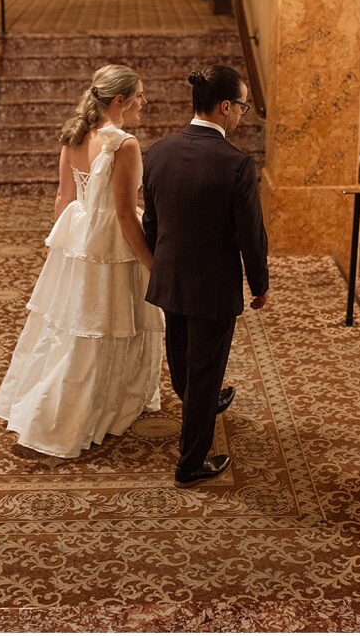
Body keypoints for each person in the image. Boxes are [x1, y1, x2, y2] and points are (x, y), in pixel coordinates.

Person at [0, 64, 163, 458]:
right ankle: (94, 407)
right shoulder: (125, 144)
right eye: (139, 95)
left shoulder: (74, 134)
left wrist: (62, 251)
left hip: (79, 237)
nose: (144, 102)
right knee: (107, 325)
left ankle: (47, 399)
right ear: (119, 101)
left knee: (74, 325)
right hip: (111, 245)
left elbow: (63, 198)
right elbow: (123, 214)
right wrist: (153, 265)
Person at [142, 64, 269, 488]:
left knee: (182, 357)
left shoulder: (158, 152)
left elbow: (153, 224)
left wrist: (159, 266)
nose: (242, 116)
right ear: (225, 107)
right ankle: (191, 462)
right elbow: (250, 234)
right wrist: (260, 284)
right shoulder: (236, 164)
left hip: (171, 278)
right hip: (213, 286)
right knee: (205, 367)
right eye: (242, 108)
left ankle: (202, 398)